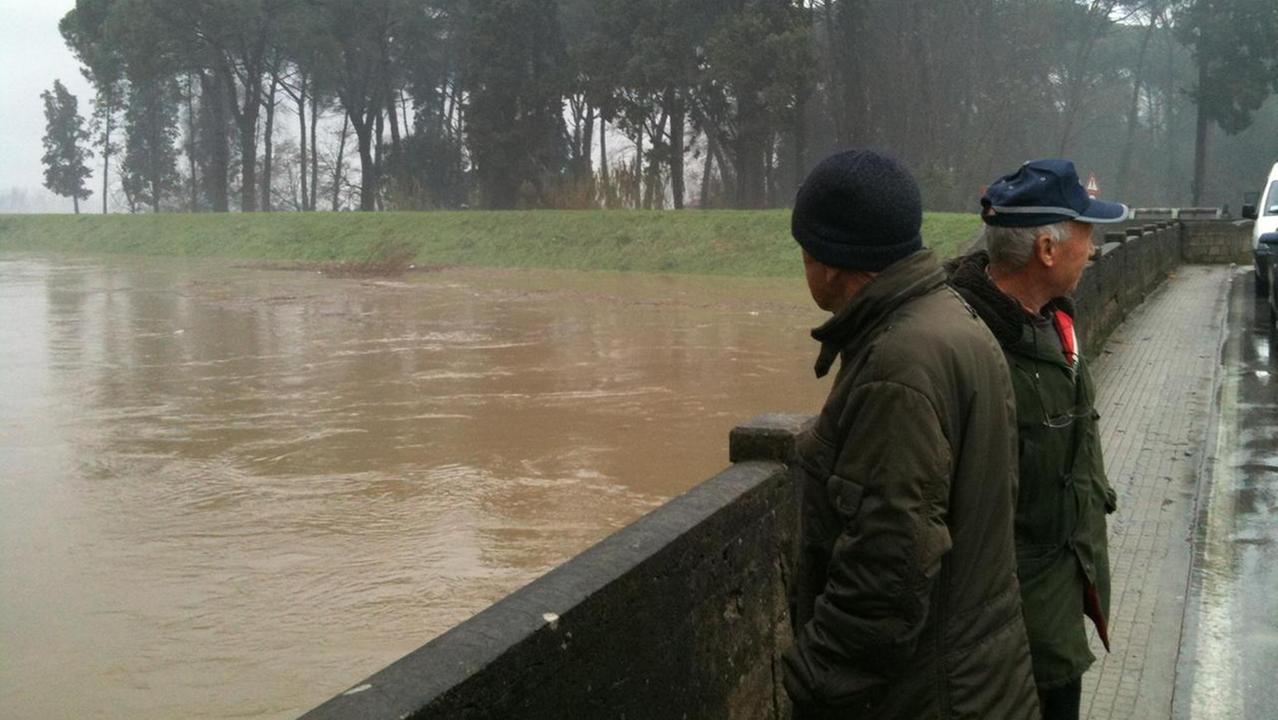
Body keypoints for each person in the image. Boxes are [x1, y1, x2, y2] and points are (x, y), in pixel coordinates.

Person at [781, 149, 1039, 719]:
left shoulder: (897, 366)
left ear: (829, 263)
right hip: (982, 677)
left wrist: (813, 677)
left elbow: (888, 565)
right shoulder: (951, 318)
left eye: (804, 249)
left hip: (934, 695)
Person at [947, 158, 1124, 720]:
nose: (1093, 249)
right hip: (1007, 638)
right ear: (1046, 249)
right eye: (1085, 233)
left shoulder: (1053, 322)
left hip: (1057, 609)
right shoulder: (969, 349)